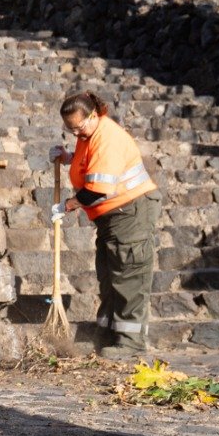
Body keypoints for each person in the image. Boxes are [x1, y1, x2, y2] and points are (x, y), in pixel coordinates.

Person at [48, 90, 161, 359]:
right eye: (70, 129)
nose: (76, 133)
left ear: (93, 115)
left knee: (128, 275)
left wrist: (68, 205)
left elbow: (99, 189)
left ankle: (131, 343)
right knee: (109, 276)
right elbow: (88, 161)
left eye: (79, 127)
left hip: (130, 213)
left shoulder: (107, 138)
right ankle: (107, 337)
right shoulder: (89, 135)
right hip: (112, 217)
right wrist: (67, 157)